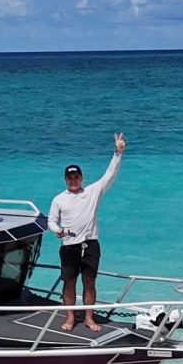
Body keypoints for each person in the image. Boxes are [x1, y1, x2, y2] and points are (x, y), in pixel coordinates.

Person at [47, 132, 126, 333]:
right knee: (69, 283)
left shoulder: (93, 191)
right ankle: (70, 317)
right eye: (70, 177)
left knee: (89, 283)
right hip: (69, 246)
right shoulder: (59, 199)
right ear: (65, 179)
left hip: (90, 245)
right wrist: (57, 231)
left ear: (81, 178)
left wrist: (117, 153)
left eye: (76, 177)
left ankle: (89, 318)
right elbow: (51, 221)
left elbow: (110, 175)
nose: (73, 180)